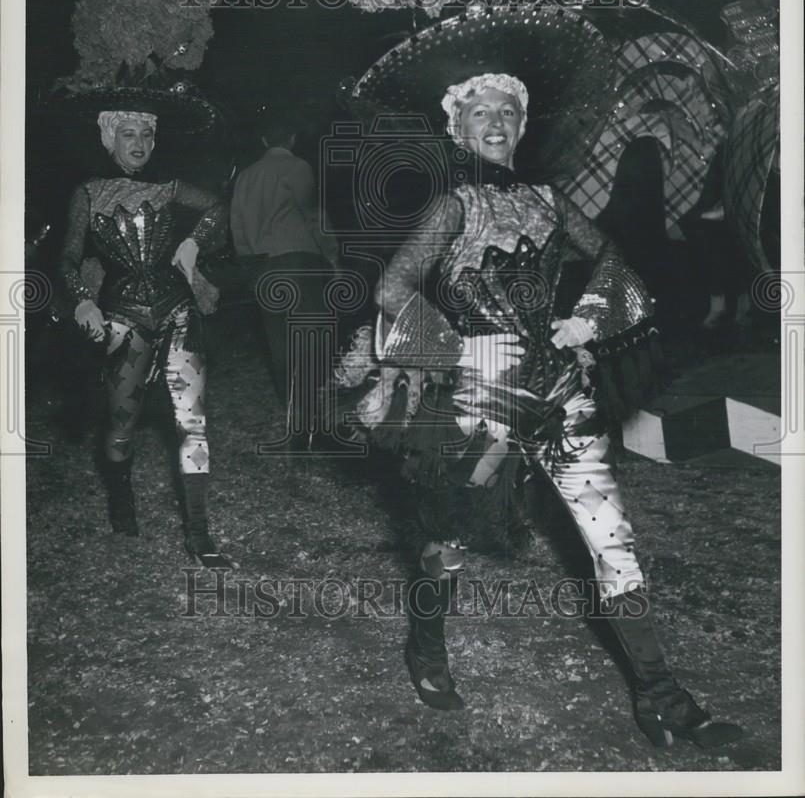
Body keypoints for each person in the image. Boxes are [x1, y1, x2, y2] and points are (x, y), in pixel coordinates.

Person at [333, 59, 742, 747]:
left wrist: (583, 320)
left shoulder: (549, 200)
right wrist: (461, 352)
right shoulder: (453, 206)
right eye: (481, 112)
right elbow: (391, 290)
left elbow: (614, 255)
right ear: (457, 128)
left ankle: (660, 695)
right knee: (450, 539)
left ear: (521, 127)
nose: (496, 122)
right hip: (482, 401)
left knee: (612, 541)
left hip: (559, 393)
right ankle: (427, 646)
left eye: (507, 113)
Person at [59, 90, 234, 568]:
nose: (140, 142)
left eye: (148, 134)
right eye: (129, 133)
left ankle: (199, 535)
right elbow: (68, 257)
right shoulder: (89, 191)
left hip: (178, 310)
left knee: (192, 423)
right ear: (109, 137)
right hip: (123, 321)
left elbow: (220, 207)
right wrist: (81, 301)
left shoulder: (170, 187)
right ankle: (120, 496)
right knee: (120, 428)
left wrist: (195, 243)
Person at [230, 107, 338, 450]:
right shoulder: (298, 167)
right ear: (292, 139)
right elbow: (313, 216)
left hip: (264, 269)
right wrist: (333, 256)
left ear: (264, 140)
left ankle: (295, 422)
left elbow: (237, 229)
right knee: (313, 344)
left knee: (281, 350)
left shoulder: (245, 177)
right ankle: (314, 426)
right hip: (301, 264)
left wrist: (250, 267)